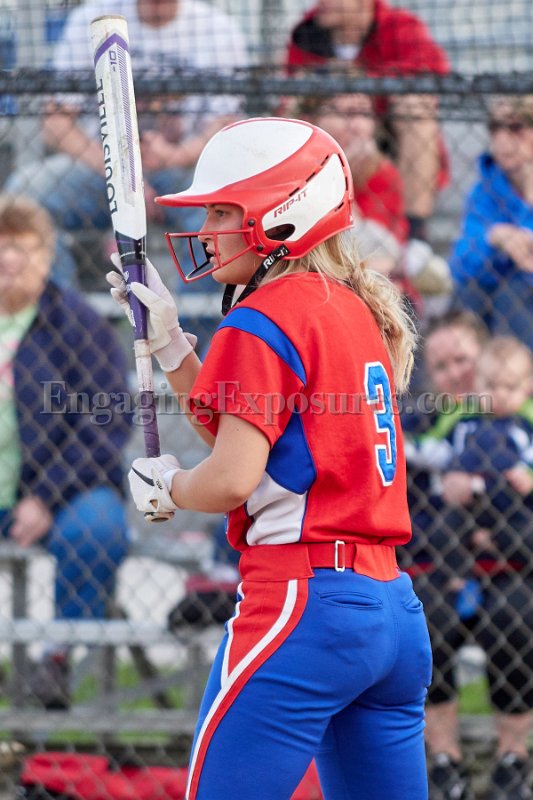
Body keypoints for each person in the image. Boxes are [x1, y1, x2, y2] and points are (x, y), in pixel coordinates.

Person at [107, 116, 431, 800]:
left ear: (282, 213)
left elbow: (232, 477)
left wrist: (172, 487)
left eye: (223, 210)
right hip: (391, 611)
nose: (207, 228)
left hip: (304, 602)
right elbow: (260, 439)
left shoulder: (264, 314)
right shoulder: (348, 306)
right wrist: (173, 345)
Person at [5, 0, 249, 286]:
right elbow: (55, 122)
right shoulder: (92, 18)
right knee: (24, 197)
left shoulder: (218, 29)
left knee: (226, 209)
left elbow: (225, 123)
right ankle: (61, 307)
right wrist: (120, 171)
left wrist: (175, 155)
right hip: (99, 166)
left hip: (183, 170)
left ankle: (189, 315)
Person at [0, 194, 132, 709]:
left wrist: (46, 496)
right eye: (1, 245)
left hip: (61, 490)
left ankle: (57, 656)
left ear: (47, 254)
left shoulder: (76, 325)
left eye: (22, 246)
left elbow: (106, 420)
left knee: (97, 528)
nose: (9, 258)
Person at [405, 327, 533, 800]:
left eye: (463, 360)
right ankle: (444, 758)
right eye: (442, 367)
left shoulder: (521, 422)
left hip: (514, 560)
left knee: (514, 620)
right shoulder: (435, 421)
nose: (456, 374)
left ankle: (513, 756)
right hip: (444, 562)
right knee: (427, 622)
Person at [285, 0, 451, 242]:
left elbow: (434, 74)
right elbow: (293, 100)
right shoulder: (306, 32)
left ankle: (415, 234)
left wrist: (357, 81)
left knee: (416, 106)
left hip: (388, 134)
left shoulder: (399, 26)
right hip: (328, 135)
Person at [297, 89, 452, 311]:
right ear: (312, 120)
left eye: (364, 114)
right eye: (345, 114)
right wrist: (333, 178)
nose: (357, 126)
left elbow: (382, 254)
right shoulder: (294, 173)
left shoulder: (382, 173)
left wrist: (343, 185)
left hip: (376, 286)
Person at [450, 94, 533, 351]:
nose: (502, 138)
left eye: (516, 127)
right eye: (495, 127)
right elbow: (461, 264)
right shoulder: (485, 190)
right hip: (496, 303)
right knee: (471, 292)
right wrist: (496, 236)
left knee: (514, 292)